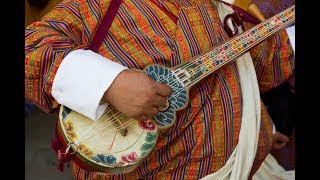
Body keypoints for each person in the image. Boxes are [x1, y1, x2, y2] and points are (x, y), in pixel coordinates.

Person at [25, 0, 295, 179]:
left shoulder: (220, 9)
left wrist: (262, 126)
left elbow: (264, 67)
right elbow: (30, 50)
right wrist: (110, 83)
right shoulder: (98, 5)